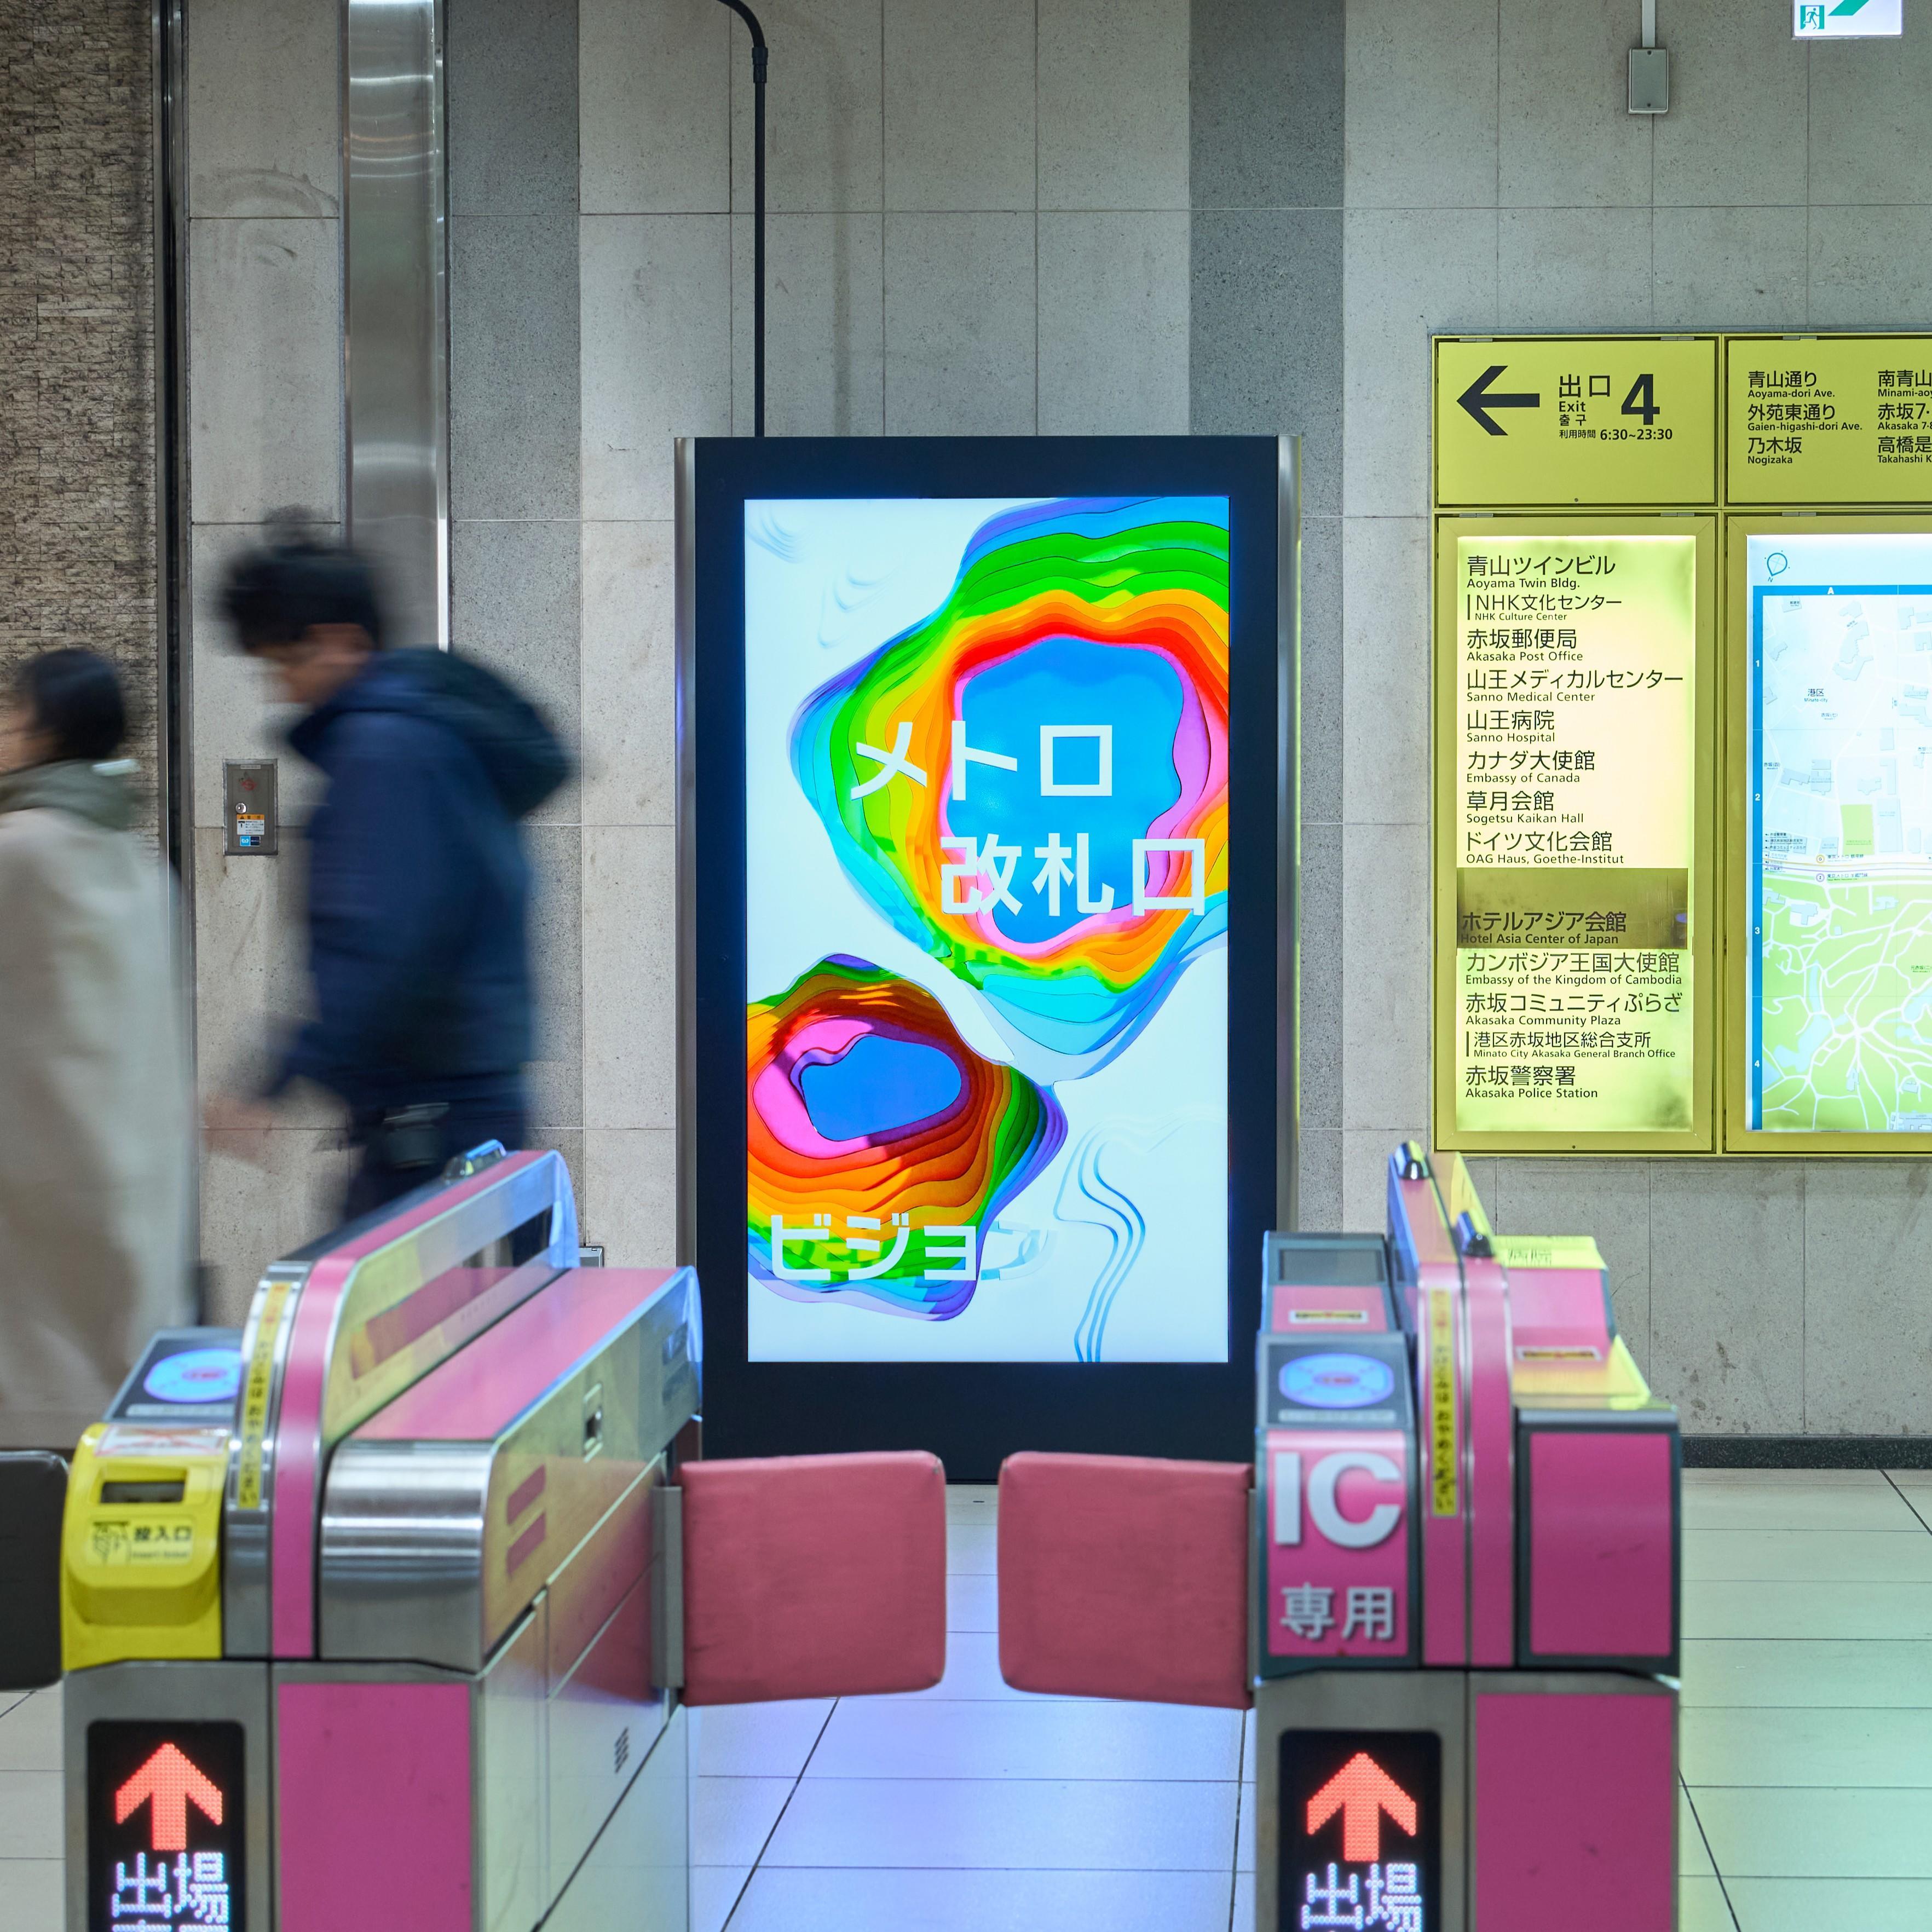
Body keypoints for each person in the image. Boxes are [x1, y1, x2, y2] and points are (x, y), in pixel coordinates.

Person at [206, 527, 568, 1216]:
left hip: (427, 1128)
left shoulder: (384, 750)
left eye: (285, 661)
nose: (281, 687)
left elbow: (382, 939)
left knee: (387, 1318)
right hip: (460, 1113)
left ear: (341, 641)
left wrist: (277, 1076)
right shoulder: (426, 738)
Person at [0, 649, 193, 1449]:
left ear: (45, 732)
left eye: (13, 714)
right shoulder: (143, 870)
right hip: (130, 1196)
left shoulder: (19, 853)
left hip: (34, 1202)